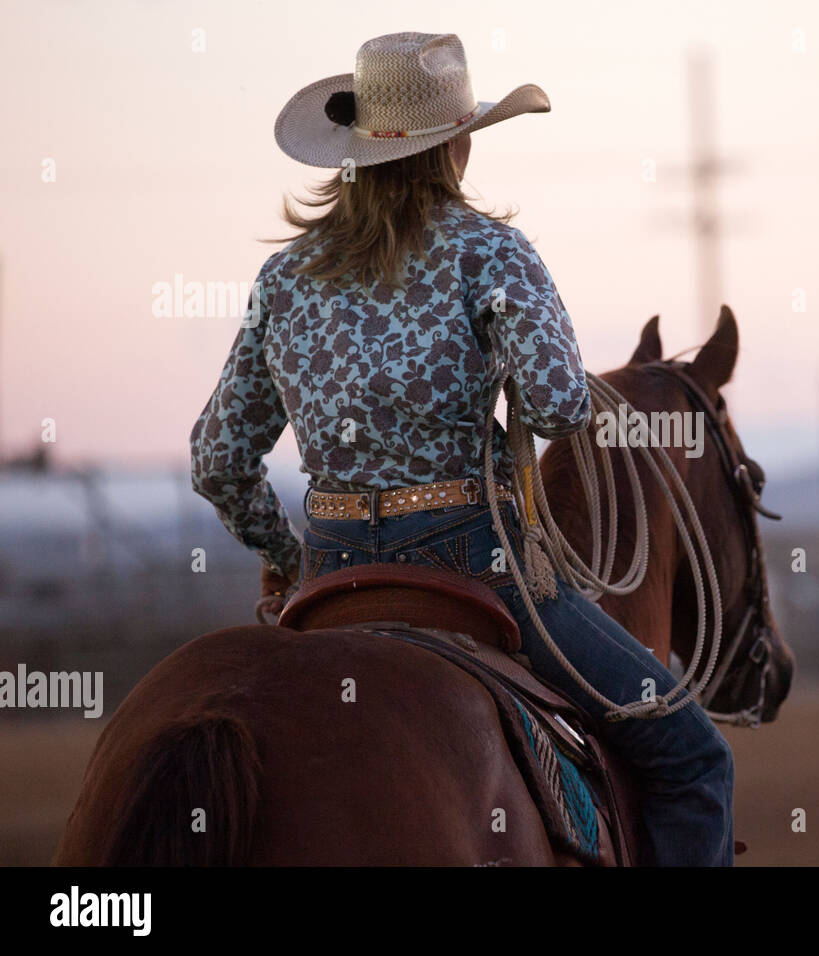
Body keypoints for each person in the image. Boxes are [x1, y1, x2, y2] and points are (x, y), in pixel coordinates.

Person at [188, 32, 733, 866]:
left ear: (357, 151)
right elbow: (555, 407)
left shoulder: (284, 279)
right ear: (458, 146)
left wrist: (282, 551)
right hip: (476, 565)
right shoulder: (492, 253)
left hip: (330, 570)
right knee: (694, 758)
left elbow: (218, 460)